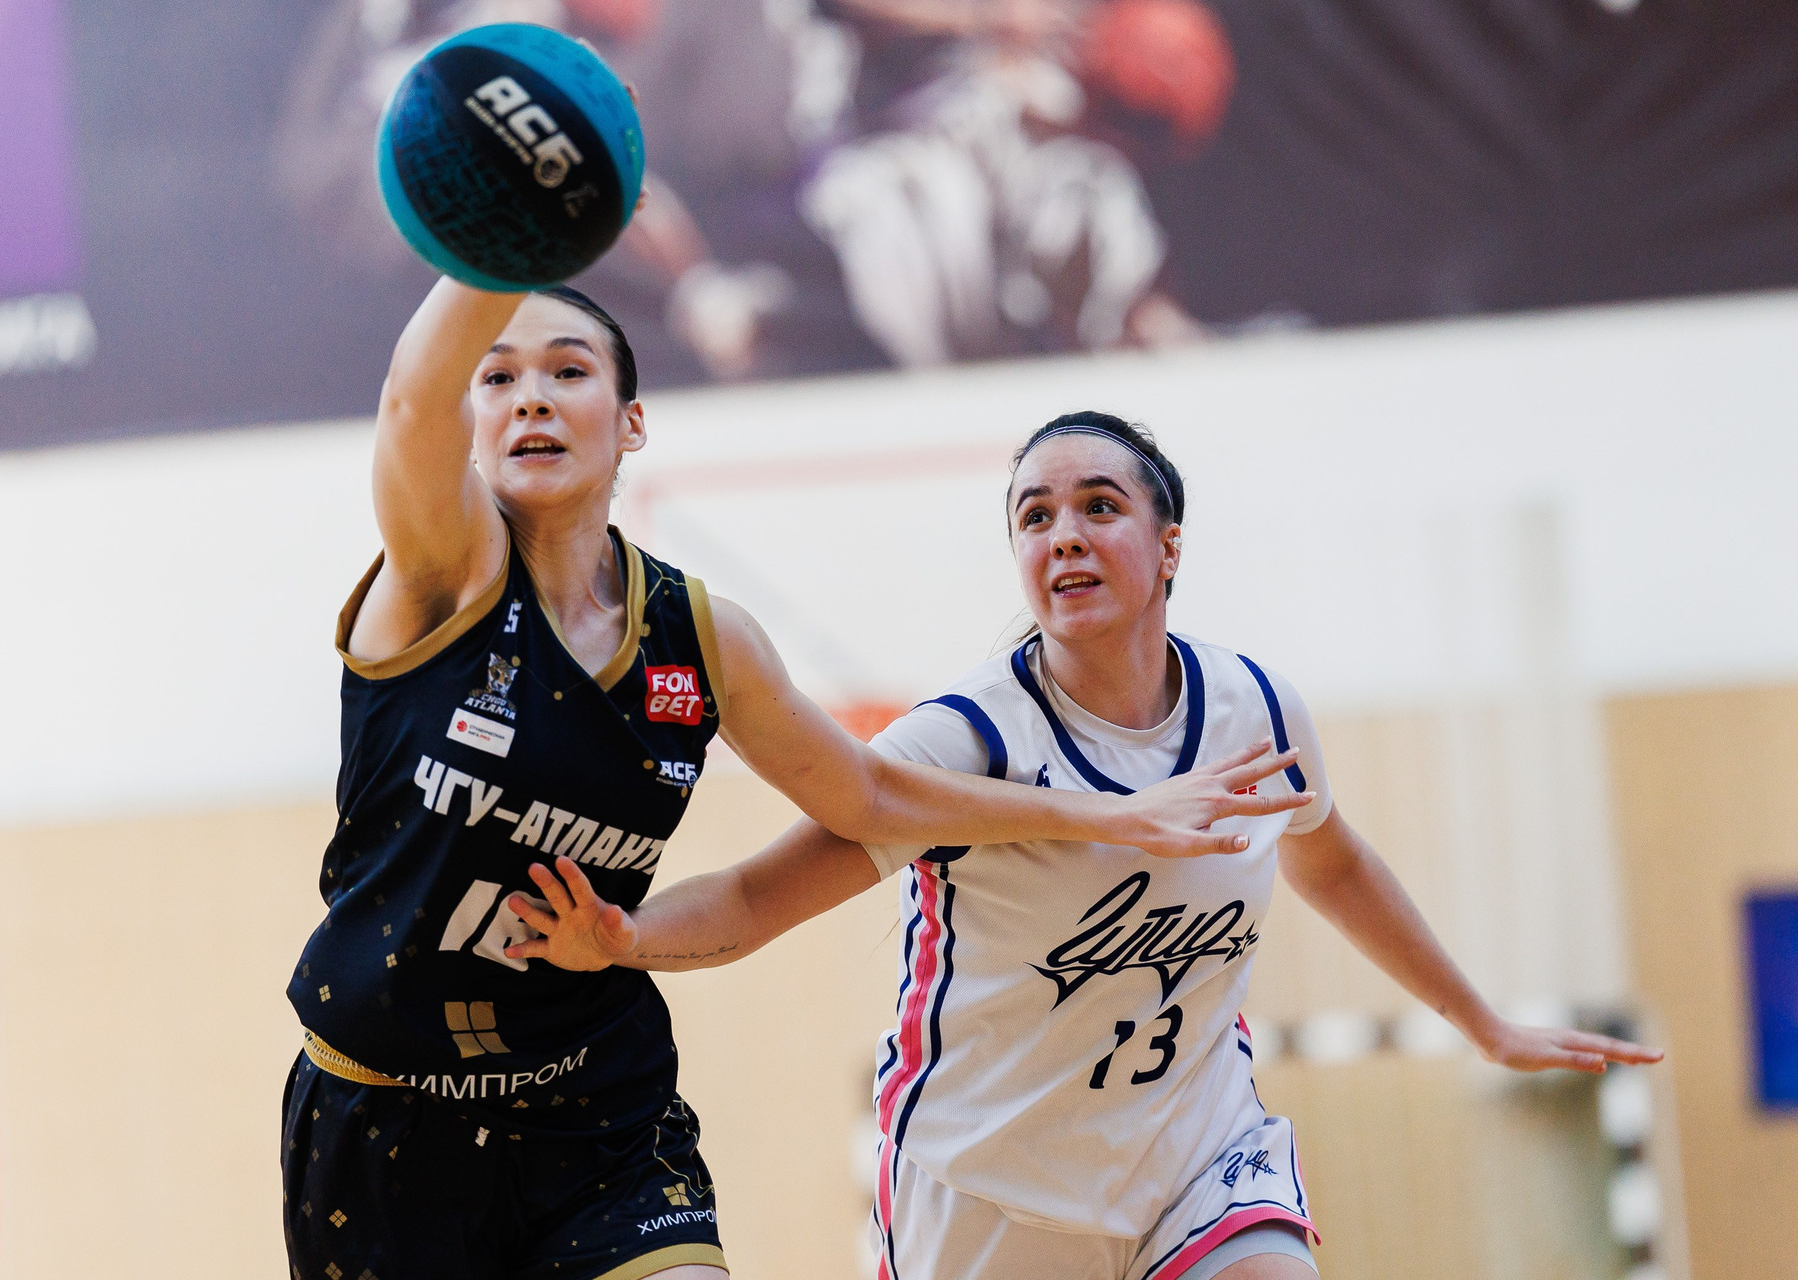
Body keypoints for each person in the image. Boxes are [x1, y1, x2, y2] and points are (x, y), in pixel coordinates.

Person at [506, 410, 1665, 1280]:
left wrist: (1483, 1021)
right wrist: (623, 936)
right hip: (986, 1183)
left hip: (1196, 1150)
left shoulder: (1257, 709)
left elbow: (1334, 860)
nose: (1064, 533)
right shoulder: (966, 739)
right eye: (1035, 515)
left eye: (1099, 506)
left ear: (1169, 546)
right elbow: (762, 895)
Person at [281, 288, 1293, 1280]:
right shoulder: (440, 574)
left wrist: (1111, 813)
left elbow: (871, 798)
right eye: (498, 378)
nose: (531, 397)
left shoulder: (701, 638)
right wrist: (490, 241)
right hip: (385, 1112)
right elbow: (412, 400)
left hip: (589, 1101)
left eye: (568, 371)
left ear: (631, 423)